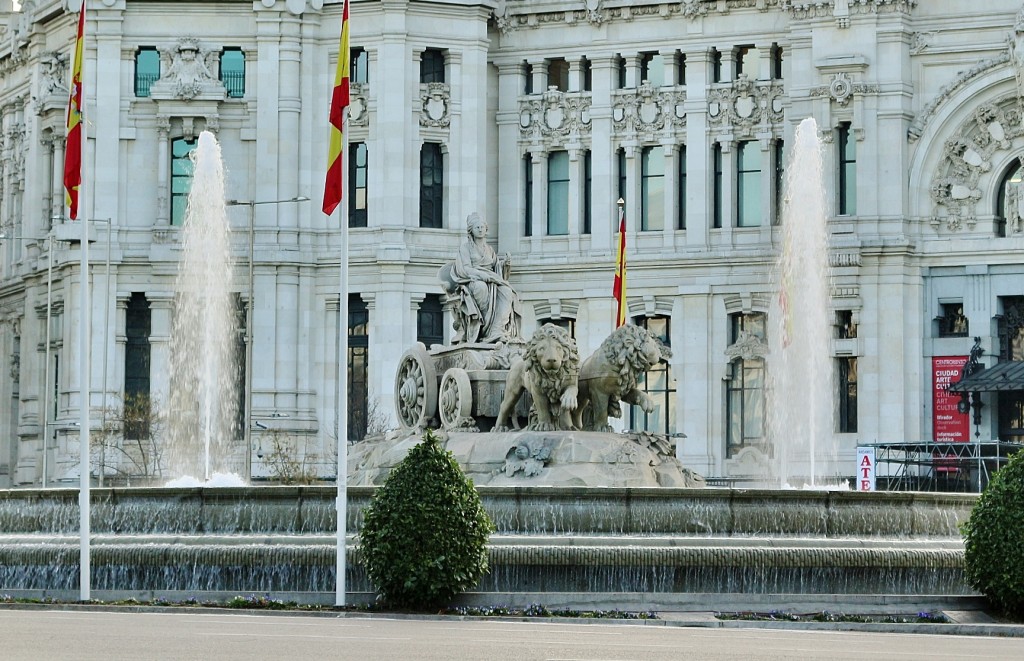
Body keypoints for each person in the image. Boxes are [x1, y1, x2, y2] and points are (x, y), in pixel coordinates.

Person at [450, 213, 523, 344]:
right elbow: (464, 269)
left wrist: (505, 264)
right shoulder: (465, 248)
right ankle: (482, 329)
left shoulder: (489, 249)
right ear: (471, 230)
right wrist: (482, 275)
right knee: (481, 287)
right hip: (473, 281)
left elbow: (497, 269)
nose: (480, 229)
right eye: (477, 227)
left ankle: (496, 330)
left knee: (507, 292)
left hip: (492, 280)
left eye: (482, 226)